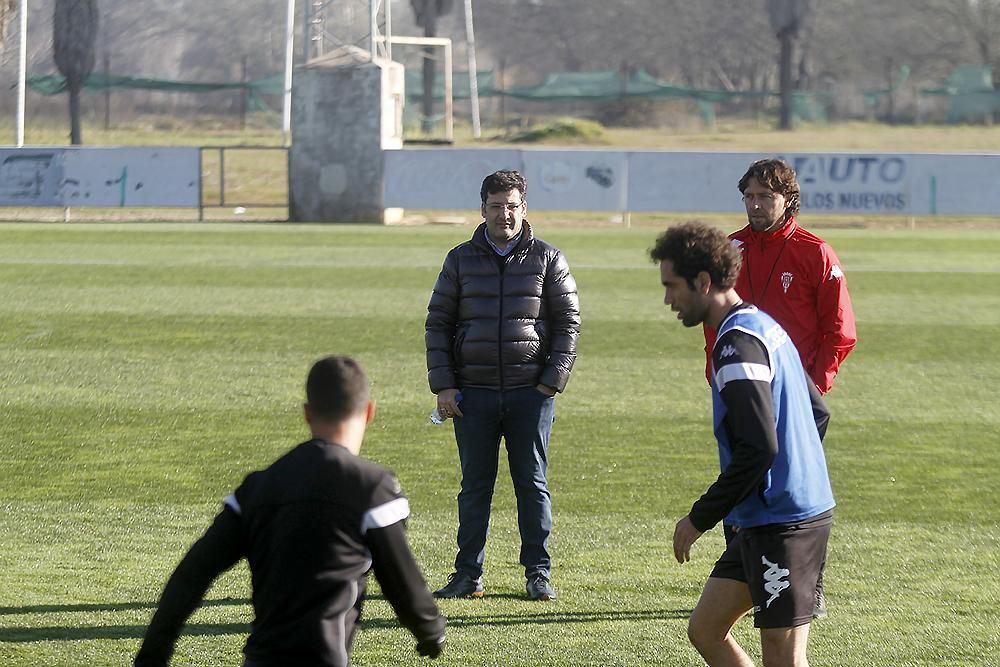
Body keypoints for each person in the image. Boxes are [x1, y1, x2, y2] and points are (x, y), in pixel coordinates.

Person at [134, 356, 446, 667]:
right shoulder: (373, 489)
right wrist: (429, 629)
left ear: (308, 414)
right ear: (368, 412)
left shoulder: (258, 488)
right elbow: (401, 582)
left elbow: (192, 574)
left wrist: (153, 653)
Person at [651, 222, 835, 667]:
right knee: (706, 630)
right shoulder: (761, 323)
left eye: (671, 286)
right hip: (765, 516)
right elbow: (818, 412)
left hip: (785, 523)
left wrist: (700, 518)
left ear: (702, 282)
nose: (667, 300)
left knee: (784, 657)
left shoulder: (737, 346)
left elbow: (759, 447)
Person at [705, 157, 856, 619]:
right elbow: (711, 321)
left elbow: (840, 330)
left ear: (787, 200)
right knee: (742, 482)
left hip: (797, 400)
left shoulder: (815, 252)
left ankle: (809, 589)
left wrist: (813, 384)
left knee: (799, 497)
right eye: (748, 196)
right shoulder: (730, 249)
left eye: (764, 197)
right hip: (741, 390)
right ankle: (750, 581)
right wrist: (718, 371)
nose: (754, 205)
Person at [425, 169, 580, 601]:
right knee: (475, 486)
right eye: (496, 207)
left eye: (512, 206)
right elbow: (438, 323)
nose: (504, 215)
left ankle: (538, 573)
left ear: (524, 209)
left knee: (531, 483)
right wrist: (444, 385)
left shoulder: (549, 258)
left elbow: (569, 323)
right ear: (483, 209)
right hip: (472, 394)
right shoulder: (459, 259)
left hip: (529, 393)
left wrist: (551, 382)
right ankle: (467, 574)